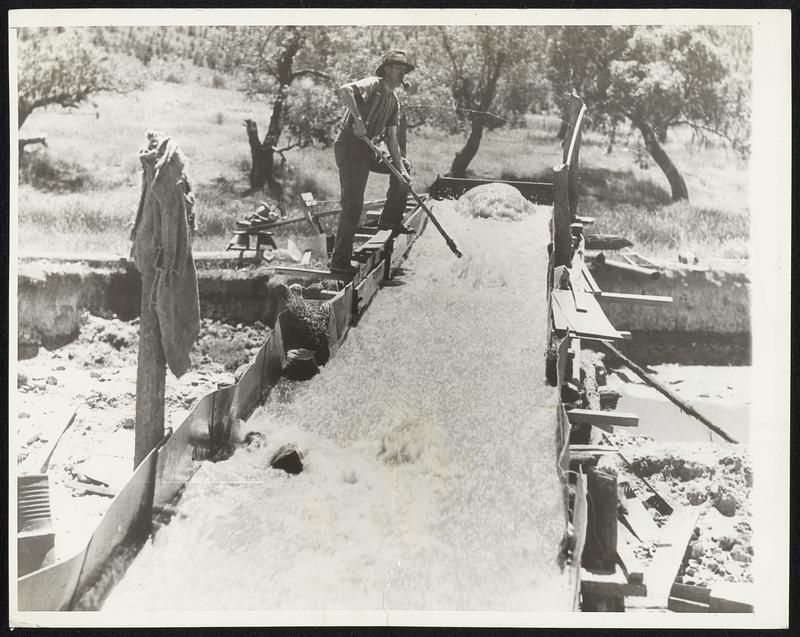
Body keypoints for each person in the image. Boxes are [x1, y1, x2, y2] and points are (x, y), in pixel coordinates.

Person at [329, 50, 415, 276]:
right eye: (399, 68)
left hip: (367, 149)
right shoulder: (373, 84)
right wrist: (357, 119)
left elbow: (392, 139)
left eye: (404, 69)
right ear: (387, 69)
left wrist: (401, 170)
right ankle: (339, 262)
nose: (402, 73)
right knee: (353, 204)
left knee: (404, 166)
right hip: (349, 145)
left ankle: (389, 221)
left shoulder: (394, 101)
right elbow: (344, 90)